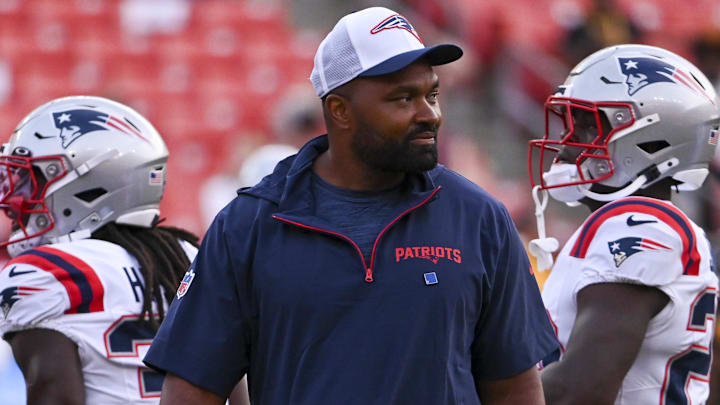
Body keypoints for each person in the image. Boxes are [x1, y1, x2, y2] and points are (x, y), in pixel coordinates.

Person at [144, 6, 558, 405]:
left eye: (432, 94)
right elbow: (192, 389)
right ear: (340, 110)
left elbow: (514, 389)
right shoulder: (248, 225)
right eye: (403, 99)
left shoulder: (480, 218)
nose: (429, 114)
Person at [527, 44, 720, 404]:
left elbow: (581, 389)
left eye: (586, 127)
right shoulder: (631, 225)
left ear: (650, 141)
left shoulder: (640, 225)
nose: (567, 145)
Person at [0, 96, 201, 404]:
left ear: (90, 185)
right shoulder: (188, 257)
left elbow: (54, 396)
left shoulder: (45, 273)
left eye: (32, 180)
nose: (14, 201)